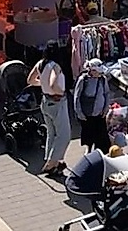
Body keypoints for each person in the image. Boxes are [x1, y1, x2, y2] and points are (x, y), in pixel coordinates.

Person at [28, 40, 70, 176]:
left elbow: (30, 80)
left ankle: (52, 161)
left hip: (45, 101)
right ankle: (51, 163)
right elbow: (53, 84)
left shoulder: (40, 64)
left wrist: (42, 84)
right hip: (57, 102)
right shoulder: (55, 66)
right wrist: (59, 91)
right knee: (64, 135)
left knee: (51, 133)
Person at [73, 58, 111, 153]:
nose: (99, 74)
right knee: (88, 135)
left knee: (102, 138)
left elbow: (106, 93)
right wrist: (79, 113)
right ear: (92, 70)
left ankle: (100, 153)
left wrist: (106, 108)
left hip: (100, 113)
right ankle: (89, 149)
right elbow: (77, 97)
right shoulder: (83, 80)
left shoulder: (103, 79)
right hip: (87, 114)